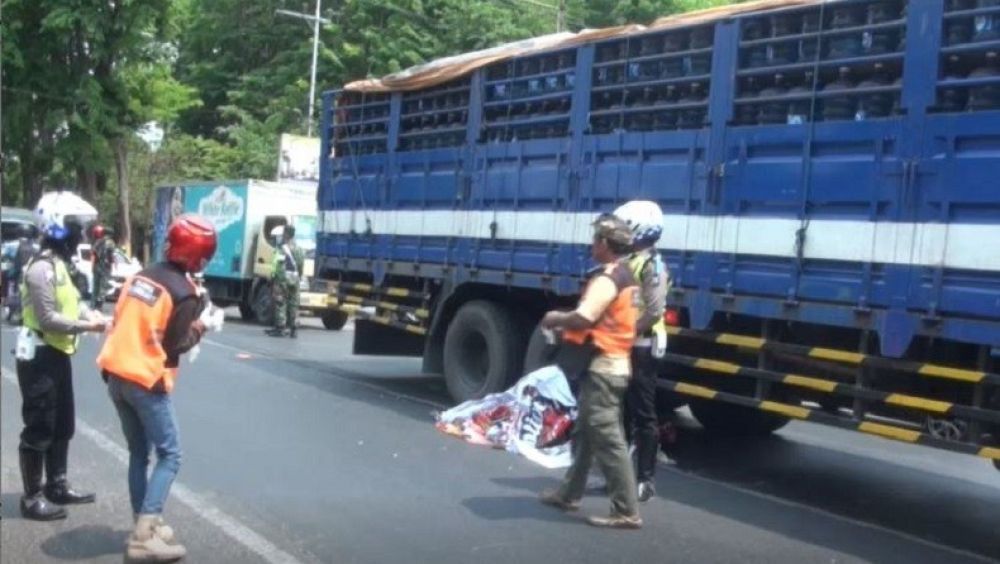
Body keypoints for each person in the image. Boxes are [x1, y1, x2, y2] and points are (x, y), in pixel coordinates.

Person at [97, 213, 218, 562]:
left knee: (139, 454)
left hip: (116, 375)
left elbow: (121, 319)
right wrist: (203, 325)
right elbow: (176, 345)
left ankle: (144, 521)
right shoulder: (184, 292)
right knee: (171, 454)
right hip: (146, 381)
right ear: (202, 256)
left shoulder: (140, 276)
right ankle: (143, 537)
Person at [538, 213, 643, 529]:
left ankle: (626, 510)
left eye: (596, 239)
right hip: (614, 363)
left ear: (606, 245)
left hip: (604, 366)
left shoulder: (607, 280)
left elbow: (584, 318)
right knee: (585, 432)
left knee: (608, 438)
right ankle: (569, 494)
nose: (592, 244)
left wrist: (554, 317)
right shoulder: (627, 277)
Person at [16, 191, 107, 521]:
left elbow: (73, 300)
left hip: (56, 353)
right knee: (40, 425)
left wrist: (93, 314)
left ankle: (56, 484)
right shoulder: (41, 268)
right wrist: (88, 327)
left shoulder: (60, 266)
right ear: (55, 226)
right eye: (74, 227)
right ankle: (31, 497)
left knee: (63, 423)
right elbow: (48, 318)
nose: (79, 235)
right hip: (38, 355)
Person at [614, 200, 670, 503]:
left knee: (643, 414)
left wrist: (624, 330)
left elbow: (653, 309)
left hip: (644, 346)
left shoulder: (653, 265)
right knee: (620, 411)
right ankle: (619, 477)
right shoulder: (629, 260)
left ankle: (645, 479)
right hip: (626, 343)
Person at [265, 223, 304, 338]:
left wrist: (272, 276)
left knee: (281, 303)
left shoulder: (281, 249)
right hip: (295, 279)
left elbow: (276, 264)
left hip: (282, 279)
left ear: (286, 234)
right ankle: (294, 329)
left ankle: (280, 328)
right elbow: (301, 265)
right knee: (294, 304)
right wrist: (298, 276)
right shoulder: (299, 249)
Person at [90, 224, 116, 310]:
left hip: (97, 267)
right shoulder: (111, 243)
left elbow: (93, 255)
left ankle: (92, 305)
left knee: (95, 286)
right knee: (103, 287)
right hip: (105, 269)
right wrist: (114, 264)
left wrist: (92, 266)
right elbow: (112, 256)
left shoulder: (98, 242)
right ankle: (99, 306)